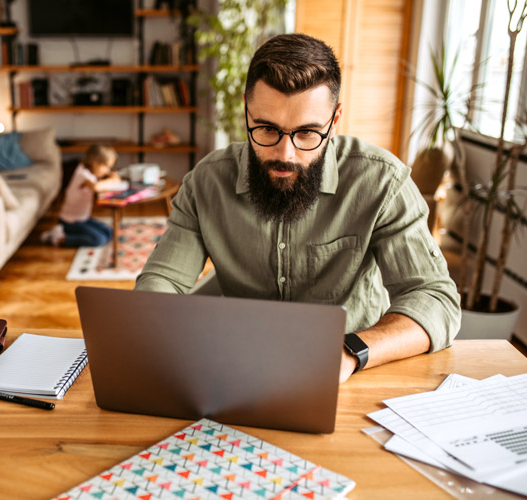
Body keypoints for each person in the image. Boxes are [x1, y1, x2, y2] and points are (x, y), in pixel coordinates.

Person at [134, 33, 461, 382]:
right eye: (266, 129)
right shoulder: (206, 183)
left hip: (353, 374)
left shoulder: (382, 182)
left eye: (307, 133)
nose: (285, 154)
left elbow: (434, 298)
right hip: (236, 368)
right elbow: (162, 280)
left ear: (334, 121)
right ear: (247, 110)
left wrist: (351, 352)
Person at [41, 144, 121, 247]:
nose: (108, 171)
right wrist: (113, 181)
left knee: (109, 233)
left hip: (83, 218)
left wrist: (108, 178)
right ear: (95, 163)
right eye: (106, 167)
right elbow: (96, 187)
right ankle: (59, 237)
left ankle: (68, 233)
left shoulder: (91, 174)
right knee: (99, 240)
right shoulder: (82, 174)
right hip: (69, 221)